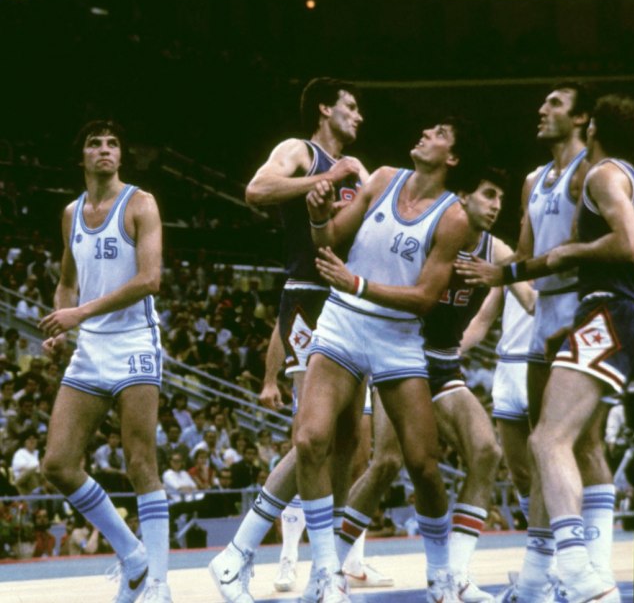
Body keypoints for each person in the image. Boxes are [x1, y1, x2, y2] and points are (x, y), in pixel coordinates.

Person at [293, 118, 485, 602]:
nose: (425, 133)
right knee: (309, 440)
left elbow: (424, 298)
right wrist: (318, 216)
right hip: (343, 322)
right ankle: (325, 573)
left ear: (452, 158)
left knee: (422, 464)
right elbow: (327, 243)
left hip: (397, 337)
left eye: (439, 133)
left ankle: (441, 575)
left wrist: (356, 282)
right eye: (427, 128)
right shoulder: (381, 179)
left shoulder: (453, 217)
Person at [209, 77, 386, 601]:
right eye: (351, 107)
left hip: (352, 303)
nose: (359, 116)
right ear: (326, 109)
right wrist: (327, 175)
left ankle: (319, 569)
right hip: (309, 297)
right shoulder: (300, 151)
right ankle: (254, 556)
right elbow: (256, 190)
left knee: (350, 445)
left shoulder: (359, 168)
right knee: (312, 437)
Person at [460, 93, 634, 602]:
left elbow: (615, 244)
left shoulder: (596, 172)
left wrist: (561, 255)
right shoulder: (536, 180)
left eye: (555, 103)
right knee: (548, 446)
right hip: (554, 314)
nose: (541, 109)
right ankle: (539, 578)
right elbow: (533, 254)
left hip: (592, 305)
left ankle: (586, 570)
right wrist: (504, 275)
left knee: (570, 443)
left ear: (585, 120)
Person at [332, 170, 526, 602]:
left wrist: (533, 288)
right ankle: (332, 567)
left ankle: (454, 575)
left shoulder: (496, 251)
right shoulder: (434, 231)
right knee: (386, 463)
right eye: (489, 194)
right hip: (401, 356)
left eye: (501, 198)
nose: (496, 205)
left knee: (486, 451)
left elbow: (522, 296)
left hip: (442, 364)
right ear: (463, 197)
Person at [37, 119, 172, 603]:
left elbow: (150, 279)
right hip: (91, 347)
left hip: (135, 340)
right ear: (83, 156)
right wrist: (61, 324)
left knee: (141, 462)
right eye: (95, 144)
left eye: (113, 143)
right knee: (57, 464)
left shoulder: (140, 203)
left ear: (121, 155)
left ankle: (159, 584)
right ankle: (134, 558)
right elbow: (67, 282)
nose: (105, 150)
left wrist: (79, 313)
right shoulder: (71, 213)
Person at [460, 279, 537, 527]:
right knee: (520, 475)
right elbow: (482, 320)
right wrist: (451, 350)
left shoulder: (559, 264)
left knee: (549, 466)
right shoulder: (508, 272)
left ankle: (563, 542)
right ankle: (540, 541)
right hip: (508, 368)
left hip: (543, 364)